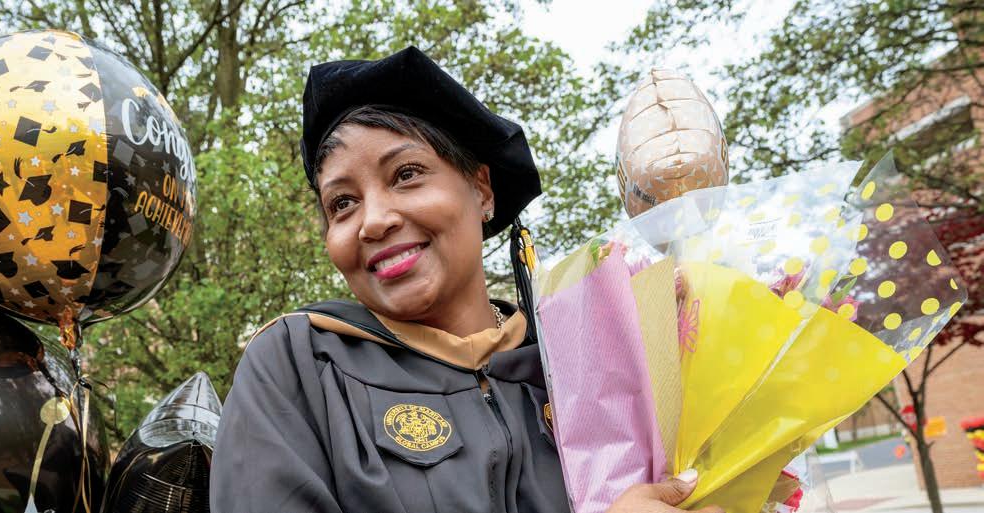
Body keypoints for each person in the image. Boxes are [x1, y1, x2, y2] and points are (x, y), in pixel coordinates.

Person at [210, 46, 722, 513]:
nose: (373, 221)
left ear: (482, 190)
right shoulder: (302, 366)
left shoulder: (581, 360)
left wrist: (685, 355)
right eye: (342, 203)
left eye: (406, 174)